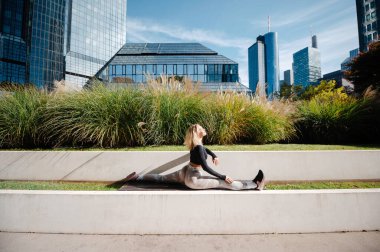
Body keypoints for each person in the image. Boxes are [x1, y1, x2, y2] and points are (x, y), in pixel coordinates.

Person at [124, 124, 266, 190]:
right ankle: (255, 184)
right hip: (194, 179)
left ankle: (137, 178)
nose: (203, 129)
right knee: (224, 183)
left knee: (162, 178)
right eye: (200, 129)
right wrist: (223, 176)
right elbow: (205, 167)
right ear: (197, 133)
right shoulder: (198, 147)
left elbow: (205, 149)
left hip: (186, 171)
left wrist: (213, 155)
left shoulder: (196, 145)